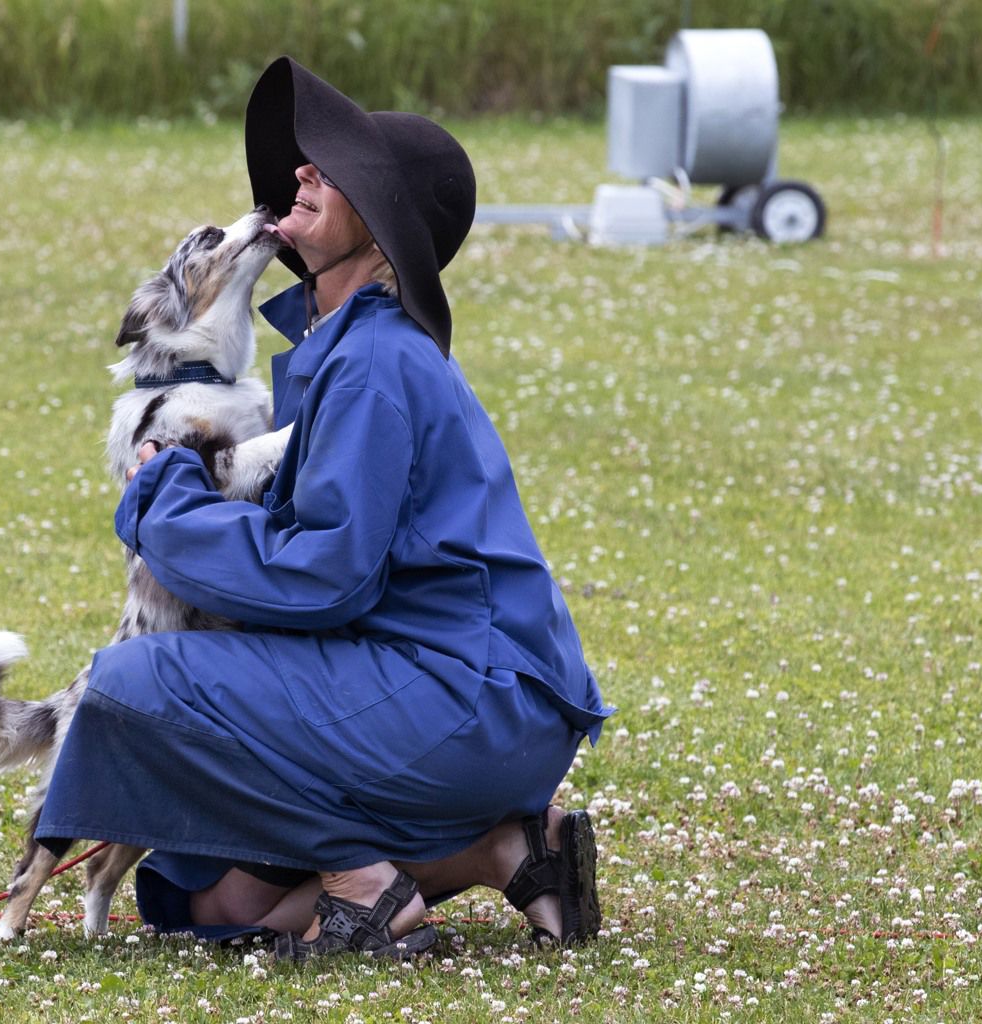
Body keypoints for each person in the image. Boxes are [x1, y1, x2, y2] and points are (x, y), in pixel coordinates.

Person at [35, 56, 613, 960]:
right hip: (466, 701)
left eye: (332, 166)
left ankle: (368, 882)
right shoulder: (348, 349)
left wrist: (164, 499)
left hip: (465, 699)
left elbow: (323, 574)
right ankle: (505, 849)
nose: (301, 170)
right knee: (216, 904)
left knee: (132, 682)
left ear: (381, 228)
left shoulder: (377, 362)